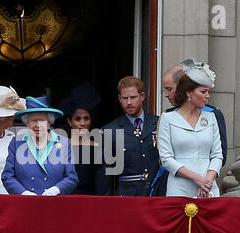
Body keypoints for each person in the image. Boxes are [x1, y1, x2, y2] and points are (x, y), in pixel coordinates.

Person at [150, 60, 228, 196]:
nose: (207, 96)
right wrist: (197, 179)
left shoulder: (211, 117)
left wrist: (207, 181)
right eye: (203, 92)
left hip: (208, 189)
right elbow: (166, 158)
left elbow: (217, 154)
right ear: (188, 93)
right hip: (179, 187)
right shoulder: (167, 119)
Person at [96, 76, 160, 196]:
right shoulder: (110, 130)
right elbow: (104, 174)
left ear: (142, 96)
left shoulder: (158, 124)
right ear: (119, 99)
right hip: (127, 195)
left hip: (155, 193)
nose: (129, 102)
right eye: (125, 98)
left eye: (133, 97)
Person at [1, 96, 79, 196]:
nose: (38, 125)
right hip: (24, 204)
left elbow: (71, 178)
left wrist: (56, 190)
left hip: (54, 204)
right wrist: (23, 193)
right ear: (27, 122)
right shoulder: (17, 143)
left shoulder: (64, 143)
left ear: (49, 122)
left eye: (42, 120)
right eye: (33, 120)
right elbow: (7, 176)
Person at [59, 84, 102, 195]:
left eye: (86, 118)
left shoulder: (99, 148)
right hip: (65, 201)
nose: (83, 123)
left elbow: (102, 183)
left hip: (91, 202)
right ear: (69, 121)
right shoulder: (60, 146)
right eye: (78, 119)